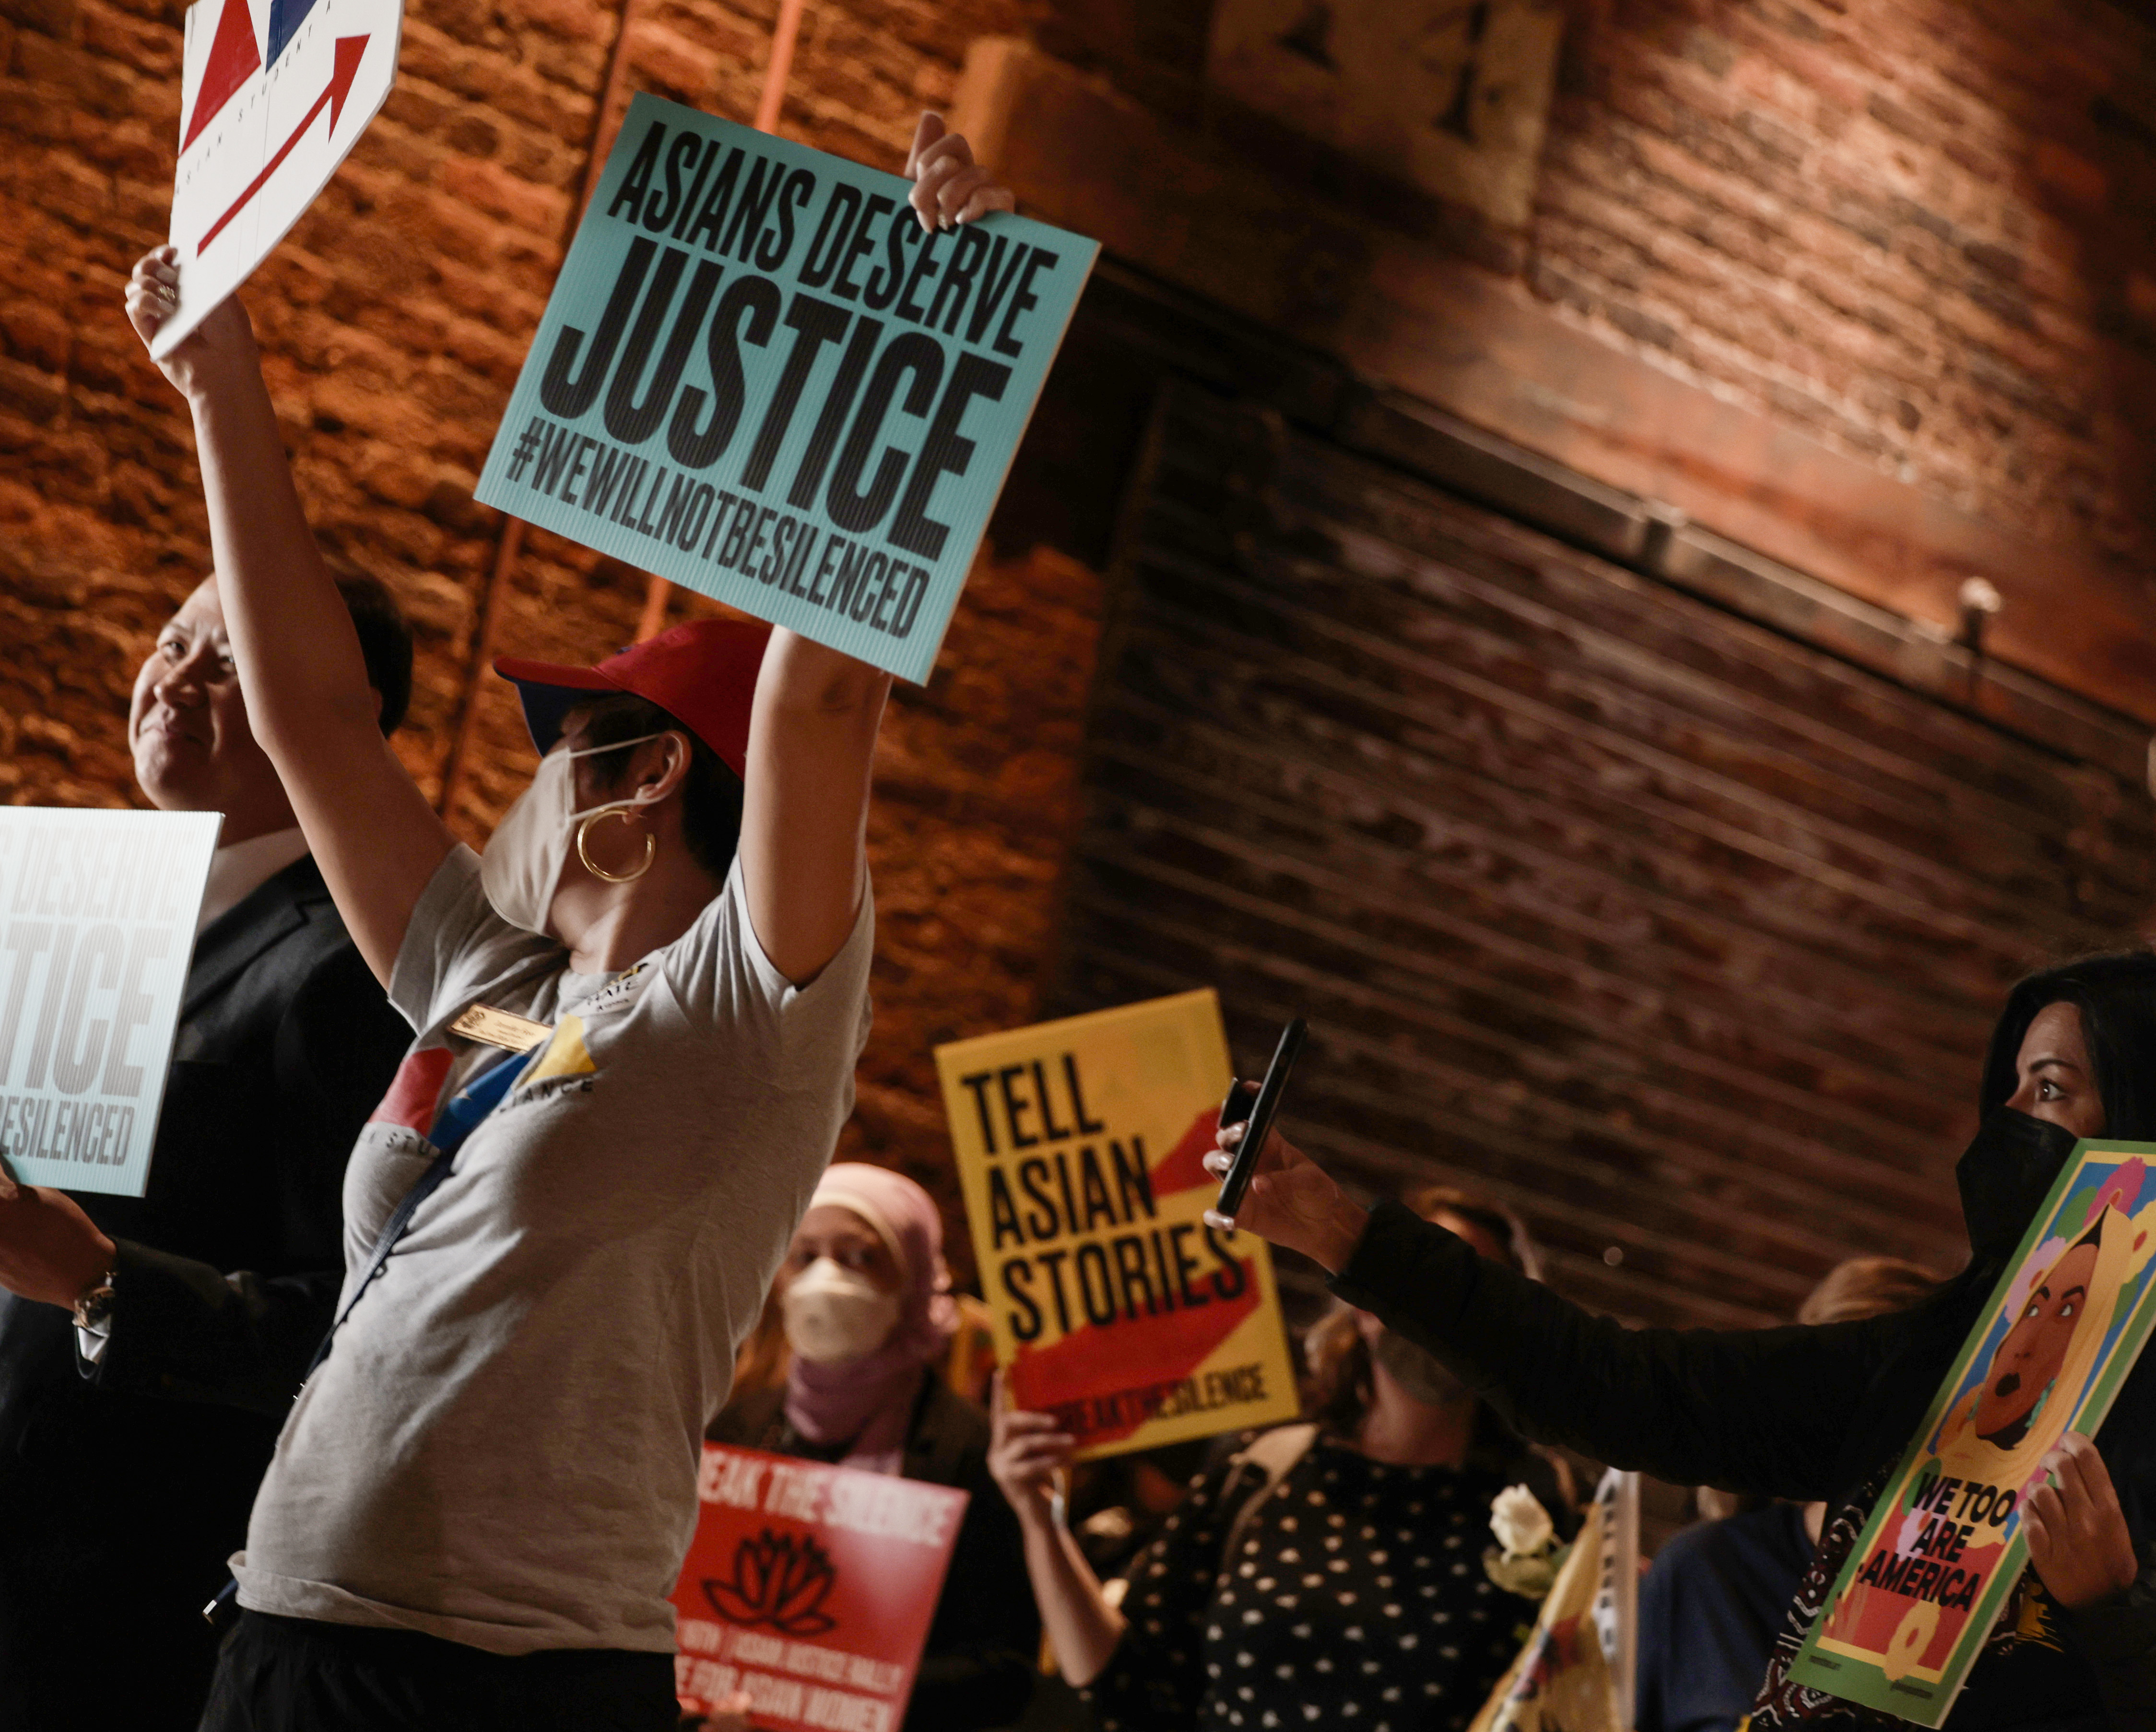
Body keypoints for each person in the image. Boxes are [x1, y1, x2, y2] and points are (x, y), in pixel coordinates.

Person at [119, 109, 1017, 1732]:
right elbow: (315, 718)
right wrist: (216, 381)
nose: (519, 784)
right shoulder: (490, 981)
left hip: (501, 1683)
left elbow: (815, 705)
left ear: (646, 779)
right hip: (289, 1632)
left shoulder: (747, 1006)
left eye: (558, 746)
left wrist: (933, 313)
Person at [1213, 947, 2156, 1732]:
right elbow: (1628, 1387)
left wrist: (2125, 1600)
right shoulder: (1938, 1358)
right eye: (2012, 1091)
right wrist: (1346, 1233)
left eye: (2050, 1090)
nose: (2010, 1128)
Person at [0, 570, 421, 1732]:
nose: (177, 678)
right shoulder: (81, 920)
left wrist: (104, 1283)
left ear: (334, 717)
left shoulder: (342, 974)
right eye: (172, 639)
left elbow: (348, 1324)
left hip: (91, 1639)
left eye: (231, 657)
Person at [990, 1184, 1581, 1732]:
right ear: (1362, 1297)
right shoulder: (1264, 1470)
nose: (1438, 1306)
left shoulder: (1543, 1516)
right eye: (1419, 1274)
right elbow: (1129, 1685)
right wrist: (1039, 1519)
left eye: (1471, 1288)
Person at [702, 1162, 1037, 1732]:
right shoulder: (738, 1428)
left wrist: (840, 1699)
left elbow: (1004, 1670)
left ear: (912, 1276)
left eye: (859, 1256)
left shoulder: (971, 1450)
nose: (826, 1277)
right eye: (805, 1256)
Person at [1634, 1255, 1941, 1732]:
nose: (1873, 1429)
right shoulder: (1705, 1572)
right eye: (1845, 1392)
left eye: (1904, 1399)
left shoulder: (1969, 1612)